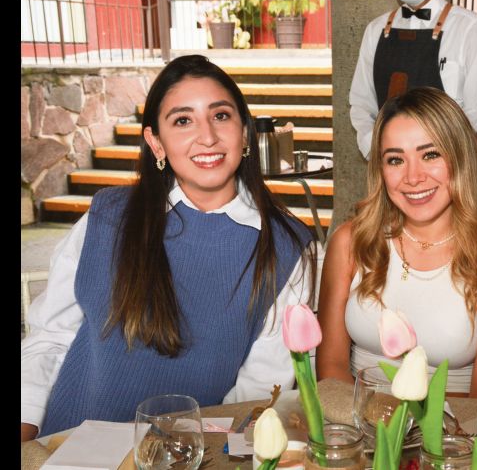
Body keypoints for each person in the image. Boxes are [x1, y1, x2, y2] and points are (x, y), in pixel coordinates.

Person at [21, 55, 316, 440]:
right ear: (155, 143)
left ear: (245, 133)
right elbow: (49, 338)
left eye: (221, 116)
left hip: (191, 455)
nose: (207, 137)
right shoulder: (108, 216)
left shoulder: (286, 247)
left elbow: (256, 392)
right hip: (68, 446)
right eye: (182, 121)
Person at [317, 87, 477, 398]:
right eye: (395, 160)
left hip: (451, 426)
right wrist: (370, 422)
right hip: (353, 420)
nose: (412, 177)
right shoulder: (351, 243)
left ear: (460, 158)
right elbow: (330, 368)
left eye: (430, 155)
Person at [349, 0, 477, 160]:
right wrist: (374, 148)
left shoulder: (467, 26)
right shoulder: (375, 30)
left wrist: (441, 148)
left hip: (447, 158)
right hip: (391, 160)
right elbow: (361, 102)